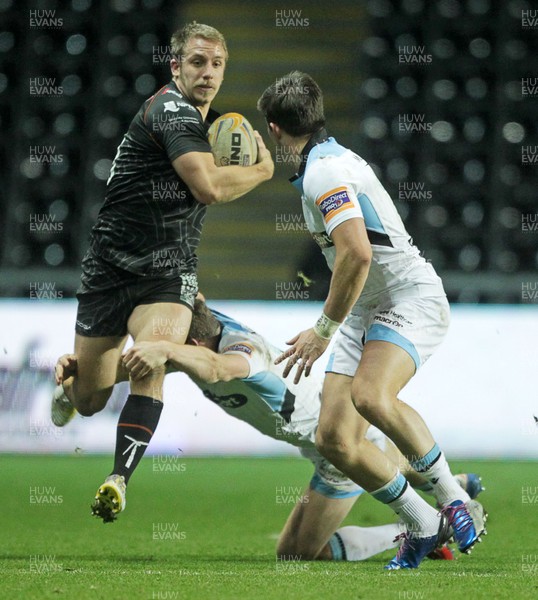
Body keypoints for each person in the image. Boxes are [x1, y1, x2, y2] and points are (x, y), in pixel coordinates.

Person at [256, 71, 486, 569]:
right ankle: (423, 524)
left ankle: (454, 501)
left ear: (274, 130)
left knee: (370, 395)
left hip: (407, 295)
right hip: (367, 307)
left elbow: (356, 255)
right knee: (334, 438)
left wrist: (322, 331)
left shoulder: (324, 172)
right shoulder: (329, 161)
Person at [55, 299, 483, 562]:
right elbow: (149, 354)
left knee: (298, 554)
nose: (167, 357)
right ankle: (449, 486)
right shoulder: (197, 327)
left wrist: (167, 350)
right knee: (292, 551)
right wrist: (80, 374)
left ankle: (428, 525)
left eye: (175, 352)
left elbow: (221, 369)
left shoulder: (243, 350)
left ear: (194, 346)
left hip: (337, 440)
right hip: (319, 438)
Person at [49, 22, 274, 518]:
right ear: (175, 66)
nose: (208, 73)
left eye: (217, 64)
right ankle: (71, 384)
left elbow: (210, 183)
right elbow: (209, 188)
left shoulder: (207, 124)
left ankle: (116, 480)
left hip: (169, 274)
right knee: (90, 400)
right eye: (197, 62)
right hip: (110, 268)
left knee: (152, 361)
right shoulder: (171, 110)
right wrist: (261, 170)